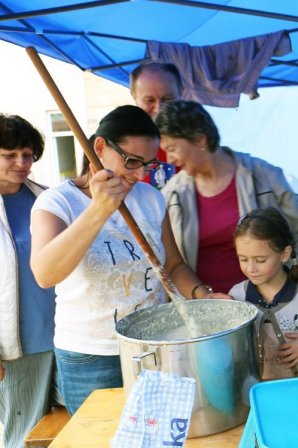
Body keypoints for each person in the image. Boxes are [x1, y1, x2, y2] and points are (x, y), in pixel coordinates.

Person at [30, 105, 229, 415]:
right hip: (91, 356)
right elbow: (45, 273)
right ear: (99, 148)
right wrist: (98, 210)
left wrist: (203, 295)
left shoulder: (150, 198)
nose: (139, 174)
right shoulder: (57, 202)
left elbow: (173, 266)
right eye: (132, 161)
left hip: (154, 345)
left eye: (148, 164)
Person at [156, 100, 298, 293]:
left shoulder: (263, 175)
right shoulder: (171, 194)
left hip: (268, 311)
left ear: (199, 139)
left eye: (172, 148)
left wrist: (293, 289)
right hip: (205, 312)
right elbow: (171, 262)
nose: (168, 159)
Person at [0, 114, 58, 448]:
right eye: (10, 155)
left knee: (69, 432)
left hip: (66, 336)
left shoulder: (47, 200)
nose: (22, 164)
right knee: (25, 444)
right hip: (17, 346)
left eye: (28, 154)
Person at [229, 208, 298, 380]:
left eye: (260, 260)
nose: (250, 268)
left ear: (284, 254)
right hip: (256, 394)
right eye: (243, 259)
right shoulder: (236, 296)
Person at [130, 61, 182, 188]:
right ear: (134, 96)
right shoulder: (120, 142)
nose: (159, 109)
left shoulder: (198, 136)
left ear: (181, 92)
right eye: (149, 100)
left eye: (167, 99)